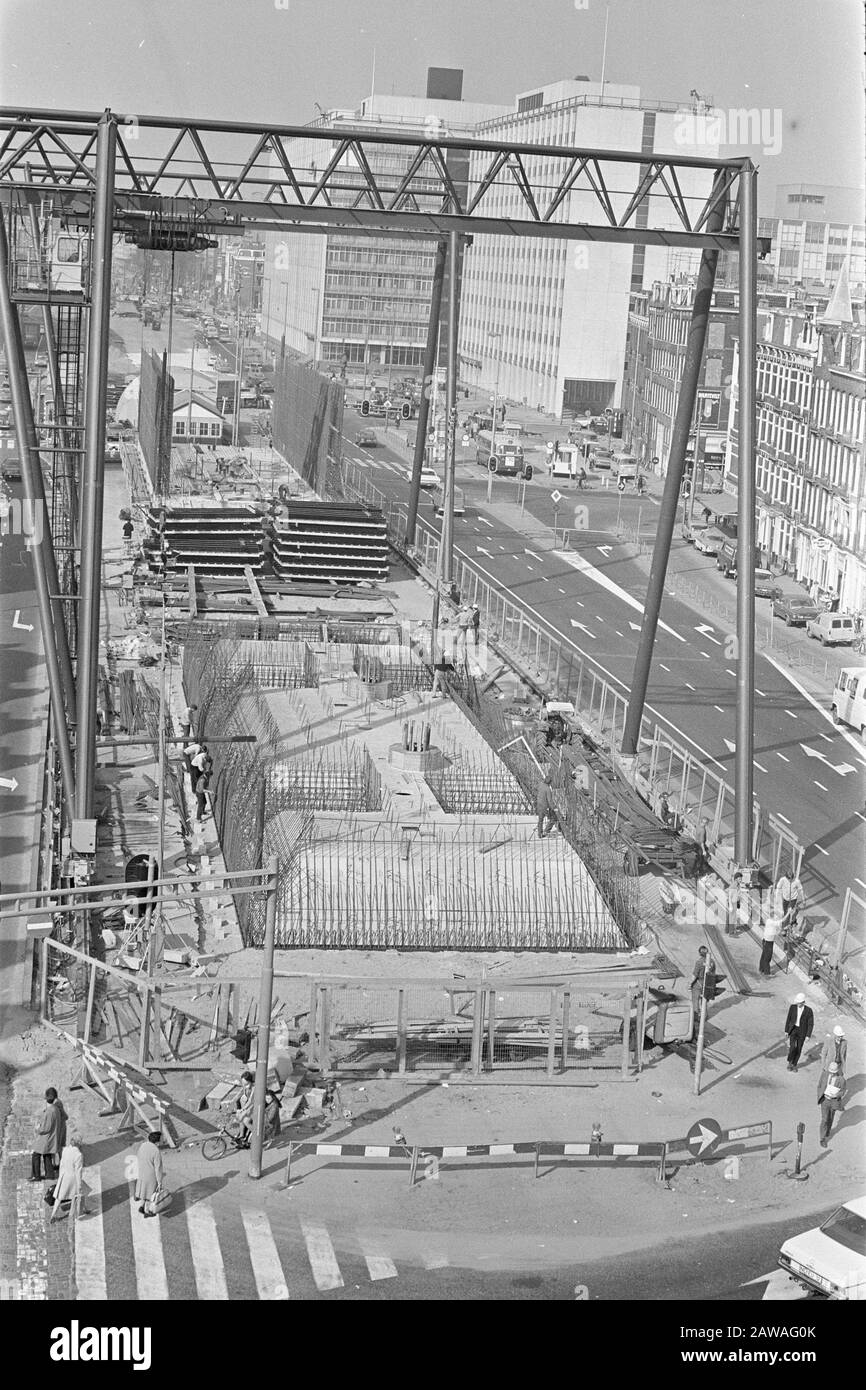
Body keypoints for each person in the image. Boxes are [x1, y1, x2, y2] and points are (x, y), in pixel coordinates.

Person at [31, 1087, 67, 1181]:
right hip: (52, 1137)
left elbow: (45, 1128)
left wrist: (38, 1128)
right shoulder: (56, 1108)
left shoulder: (49, 1112)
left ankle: (36, 1176)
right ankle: (49, 1175)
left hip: (46, 1138)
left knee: (36, 1154)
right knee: (47, 1155)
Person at [50, 1135, 87, 1222]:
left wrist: (61, 1176)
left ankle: (53, 1215)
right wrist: (79, 1185)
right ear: (79, 1144)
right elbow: (78, 1172)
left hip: (64, 1176)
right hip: (73, 1178)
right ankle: (82, 1211)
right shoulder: (78, 1155)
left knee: (59, 1197)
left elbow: (61, 1164)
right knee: (80, 1195)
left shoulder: (65, 1150)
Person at [134, 1131, 164, 1217]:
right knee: (150, 1194)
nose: (162, 1139)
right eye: (161, 1138)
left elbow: (139, 1155)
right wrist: (159, 1181)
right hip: (151, 1175)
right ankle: (147, 1211)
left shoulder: (143, 1145)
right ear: (157, 1140)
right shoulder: (156, 1151)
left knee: (143, 1190)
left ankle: (141, 1206)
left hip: (142, 1172)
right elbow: (158, 1168)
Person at [817, 1062, 846, 1148]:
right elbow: (819, 1085)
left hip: (834, 1101)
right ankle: (822, 1138)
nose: (832, 1074)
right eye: (831, 1072)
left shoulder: (841, 1079)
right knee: (824, 1119)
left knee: (831, 1117)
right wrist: (819, 1095)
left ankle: (828, 1130)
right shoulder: (824, 1074)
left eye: (834, 1072)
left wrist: (836, 1095)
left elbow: (843, 1091)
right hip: (825, 1100)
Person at [784, 993, 814, 1072]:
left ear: (803, 1002)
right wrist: (786, 1030)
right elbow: (788, 1019)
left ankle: (794, 1064)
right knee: (792, 1047)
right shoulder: (792, 1007)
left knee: (799, 1048)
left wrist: (808, 1035)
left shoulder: (808, 1011)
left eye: (799, 1003)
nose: (798, 1004)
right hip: (793, 1029)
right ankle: (790, 1062)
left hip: (802, 1031)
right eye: (797, 1002)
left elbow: (810, 1024)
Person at [690, 946, 716, 1017]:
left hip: (699, 982)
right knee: (704, 1000)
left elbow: (695, 975)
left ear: (699, 953)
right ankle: (705, 1015)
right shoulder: (712, 962)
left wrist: (690, 984)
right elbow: (713, 973)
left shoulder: (699, 962)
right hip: (708, 982)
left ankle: (696, 1015)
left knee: (695, 999)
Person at [235, 1073, 255, 1146]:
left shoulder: (254, 1088)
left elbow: (251, 1101)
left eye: (246, 1083)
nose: (245, 1085)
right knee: (240, 1117)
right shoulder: (245, 1087)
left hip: (254, 1107)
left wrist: (243, 1109)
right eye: (243, 1083)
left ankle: (256, 1134)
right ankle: (242, 1135)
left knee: (245, 1120)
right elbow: (241, 1094)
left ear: (250, 1081)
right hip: (248, 1106)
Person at [536, 773, 556, 839]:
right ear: (550, 783)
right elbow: (550, 801)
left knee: (540, 820)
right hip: (545, 807)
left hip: (539, 805)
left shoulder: (540, 785)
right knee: (553, 819)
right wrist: (554, 808)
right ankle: (546, 831)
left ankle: (540, 833)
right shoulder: (548, 789)